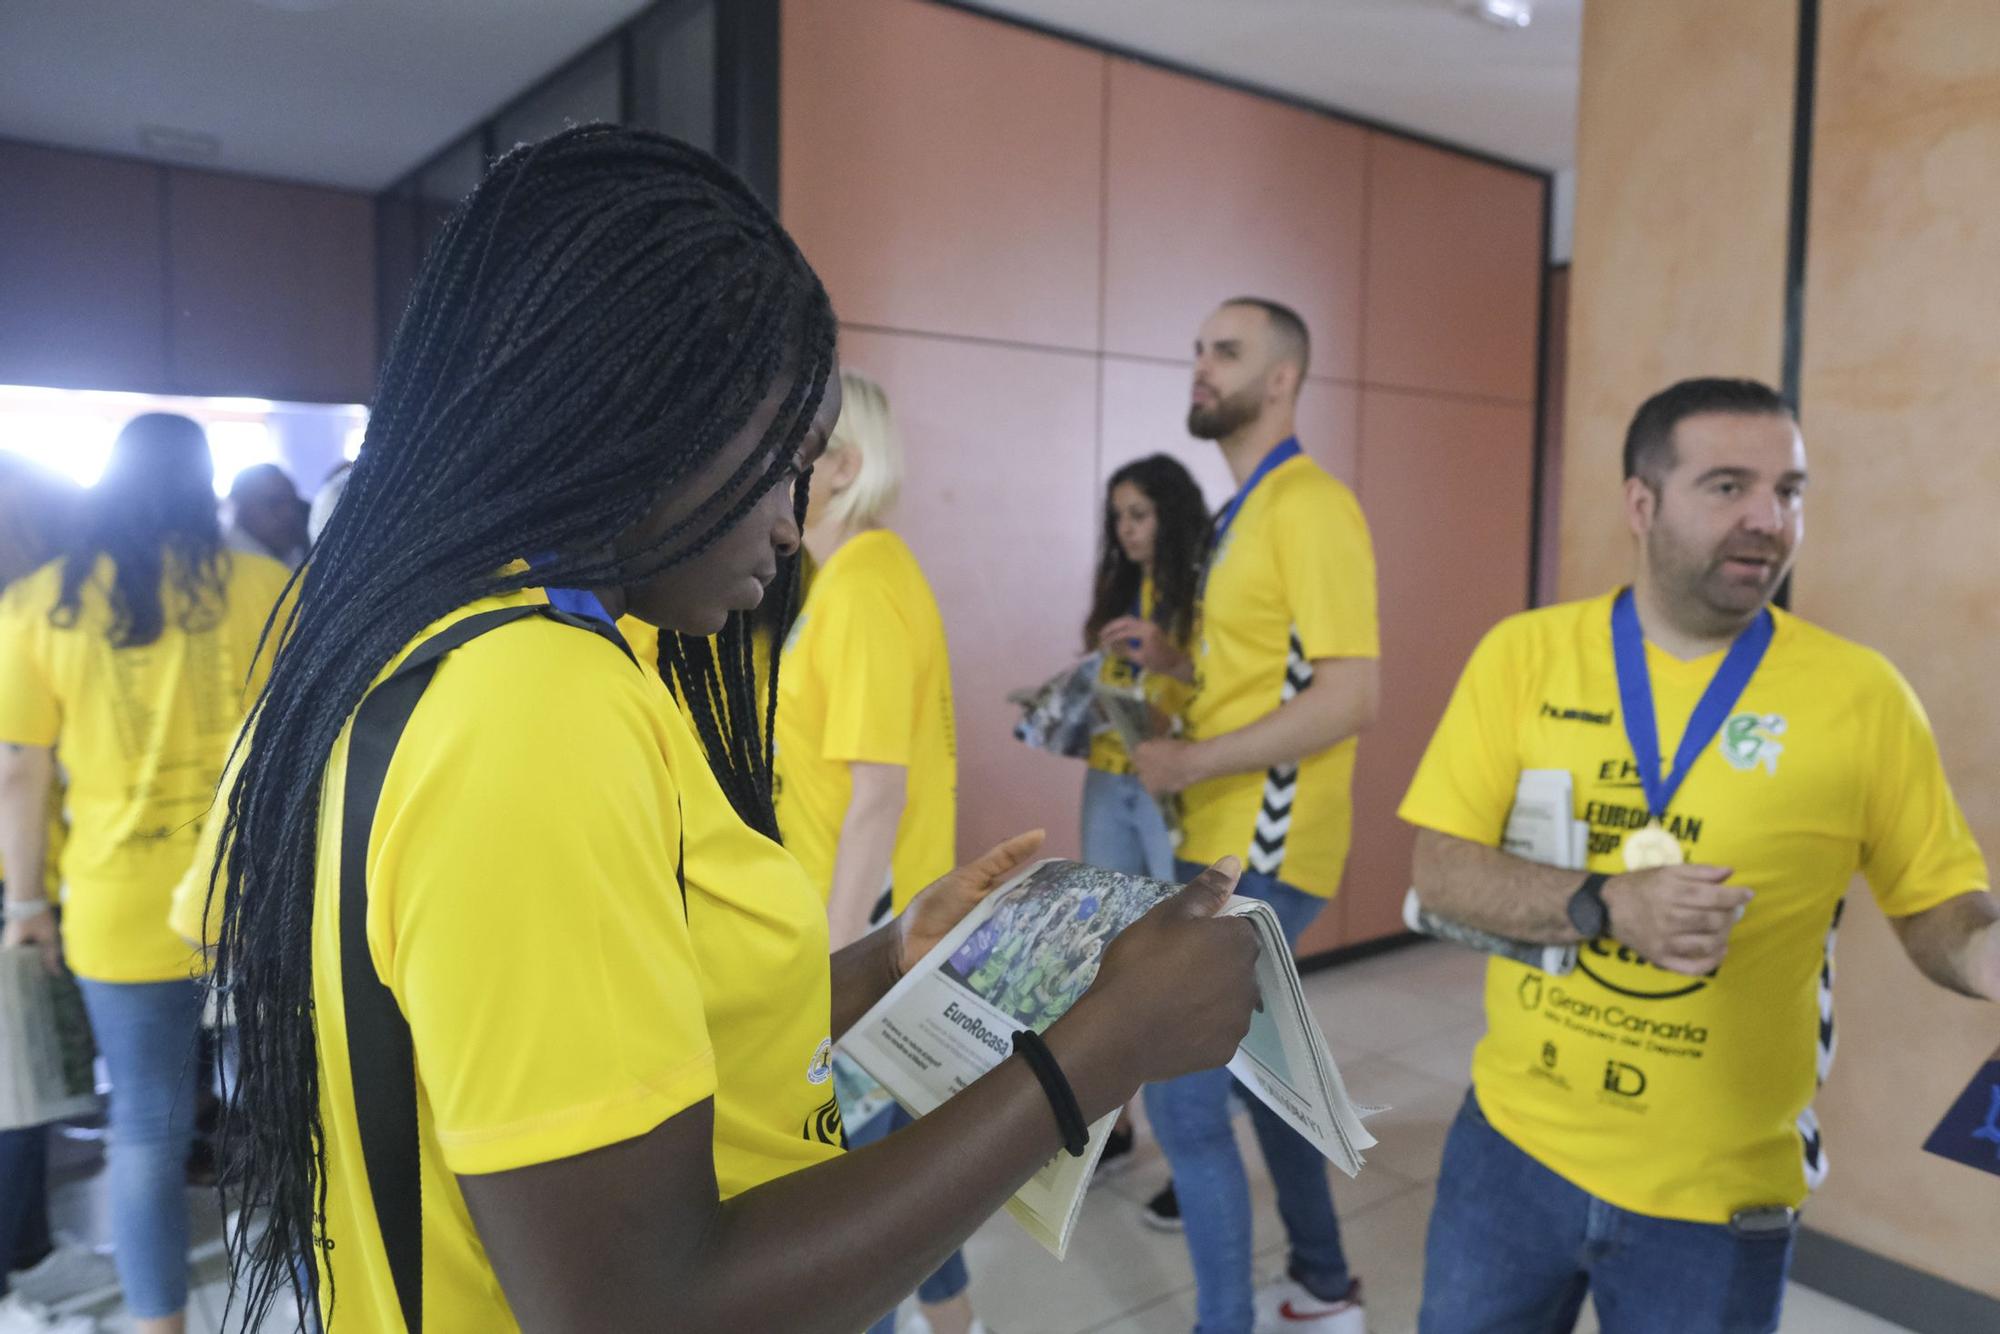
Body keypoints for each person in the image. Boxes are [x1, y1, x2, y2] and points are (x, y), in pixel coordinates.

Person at [199, 125, 1263, 1334]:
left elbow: (620, 1038)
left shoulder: (458, 643)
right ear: (646, 413)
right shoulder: (528, 708)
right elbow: (649, 1305)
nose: (790, 524)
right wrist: (1103, 1043)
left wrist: (882, 963)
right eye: (780, 465)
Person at [1401, 378, 2000, 1334]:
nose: (1769, 520)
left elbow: (1939, 903)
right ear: (1643, 504)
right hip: (1511, 1150)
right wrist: (1605, 900)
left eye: (1791, 491)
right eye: (1729, 486)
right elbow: (1441, 871)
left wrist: (1986, 955)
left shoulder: (1863, 697)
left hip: (1719, 1195)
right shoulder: (1524, 656)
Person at [1116, 298, 1379, 1333]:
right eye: (1194, 348)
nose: (1198, 367)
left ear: (1280, 379)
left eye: (1223, 351)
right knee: (1267, 1079)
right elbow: (1264, 669)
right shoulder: (1237, 514)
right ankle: (1321, 1285)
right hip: (1218, 834)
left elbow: (1349, 693)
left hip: (1263, 848)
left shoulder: (1310, 505)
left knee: (1183, 1101)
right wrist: (1177, 665)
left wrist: (1189, 754)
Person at [0, 415, 292, 1334]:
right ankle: (322, 1291)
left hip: (118, 908)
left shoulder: (43, 605)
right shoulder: (266, 586)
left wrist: (25, 903)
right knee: (290, 1114)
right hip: (258, 896)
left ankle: (161, 1326)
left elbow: (20, 771)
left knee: (146, 1134)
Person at [771, 370, 973, 1334]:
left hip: (861, 941)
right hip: (867, 930)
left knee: (848, 1224)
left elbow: (877, 795)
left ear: (841, 466)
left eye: (785, 455)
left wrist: (832, 975)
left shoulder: (860, 587)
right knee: (890, 1184)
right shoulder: (855, 576)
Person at [0, 456, 102, 1334]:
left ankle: (25, 1253)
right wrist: (27, 903)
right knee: (14, 1080)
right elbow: (17, 765)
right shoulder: (22, 607)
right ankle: (21, 1262)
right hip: (11, 878)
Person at [1081, 454, 1207, 882]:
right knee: (1103, 913)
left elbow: (1213, 679)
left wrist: (1168, 664)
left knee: (1175, 916)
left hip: (1170, 773)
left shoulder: (1206, 588)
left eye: (1139, 515)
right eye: (1118, 517)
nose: (1125, 529)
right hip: (1108, 768)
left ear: (1170, 515)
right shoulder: (1120, 587)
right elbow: (1102, 675)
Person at [223, 462, 308, 568]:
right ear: (240, 506)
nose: (288, 513)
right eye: (274, 503)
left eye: (293, 503)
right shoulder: (222, 567)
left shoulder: (297, 554)